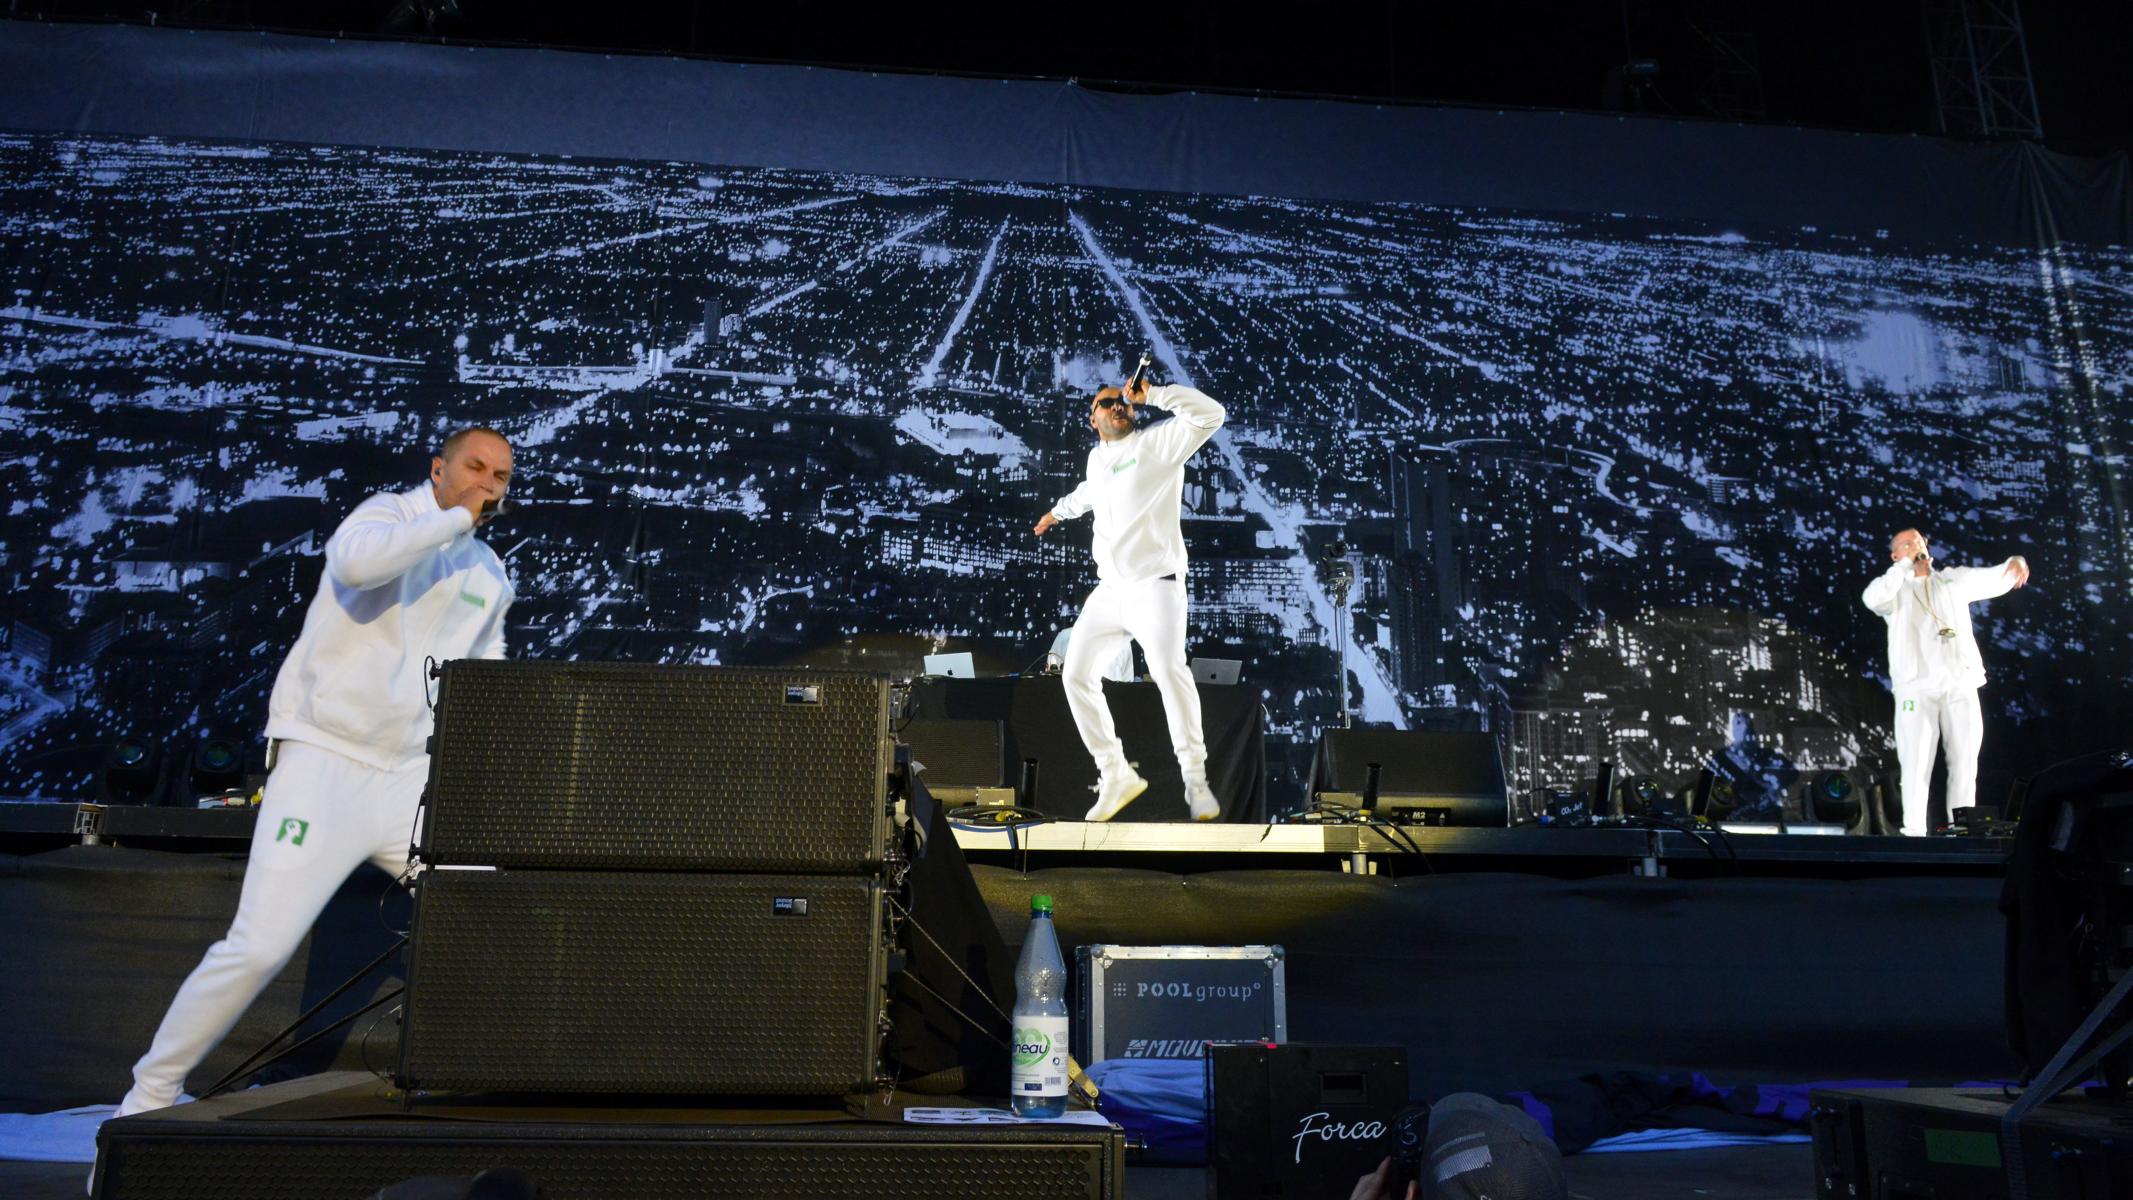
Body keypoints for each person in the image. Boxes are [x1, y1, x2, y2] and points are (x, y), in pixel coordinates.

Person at [114, 427, 516, 1117]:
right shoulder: (386, 515)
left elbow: (485, 676)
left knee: (492, 913)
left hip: (408, 782)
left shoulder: (489, 572)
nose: (487, 483)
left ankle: (493, 1080)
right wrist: (453, 520)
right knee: (258, 946)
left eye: (500, 476)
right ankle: (148, 1095)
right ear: (438, 469)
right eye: (475, 467)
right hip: (324, 762)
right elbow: (358, 568)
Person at [1033, 374, 1225, 822]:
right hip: (1111, 590)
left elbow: (1212, 415)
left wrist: (1155, 394)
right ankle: (1115, 773)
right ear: (1093, 419)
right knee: (1075, 675)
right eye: (1107, 403)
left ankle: (1195, 780)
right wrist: (1056, 513)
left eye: (1123, 402)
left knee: (1168, 671)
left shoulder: (1158, 444)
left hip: (1155, 585)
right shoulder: (1096, 459)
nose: (1118, 406)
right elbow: (1090, 493)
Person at [1861, 528, 2029, 837]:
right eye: (1907, 544)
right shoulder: (1894, 589)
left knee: (1964, 761)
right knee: (1915, 762)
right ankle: (1914, 831)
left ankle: (1962, 831)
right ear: (1895, 555)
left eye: (1919, 541)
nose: (1916, 545)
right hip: (1916, 687)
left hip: (1959, 683)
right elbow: (1872, 599)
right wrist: (1903, 567)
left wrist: (2015, 563)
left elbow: (1993, 577)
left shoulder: (1952, 580)